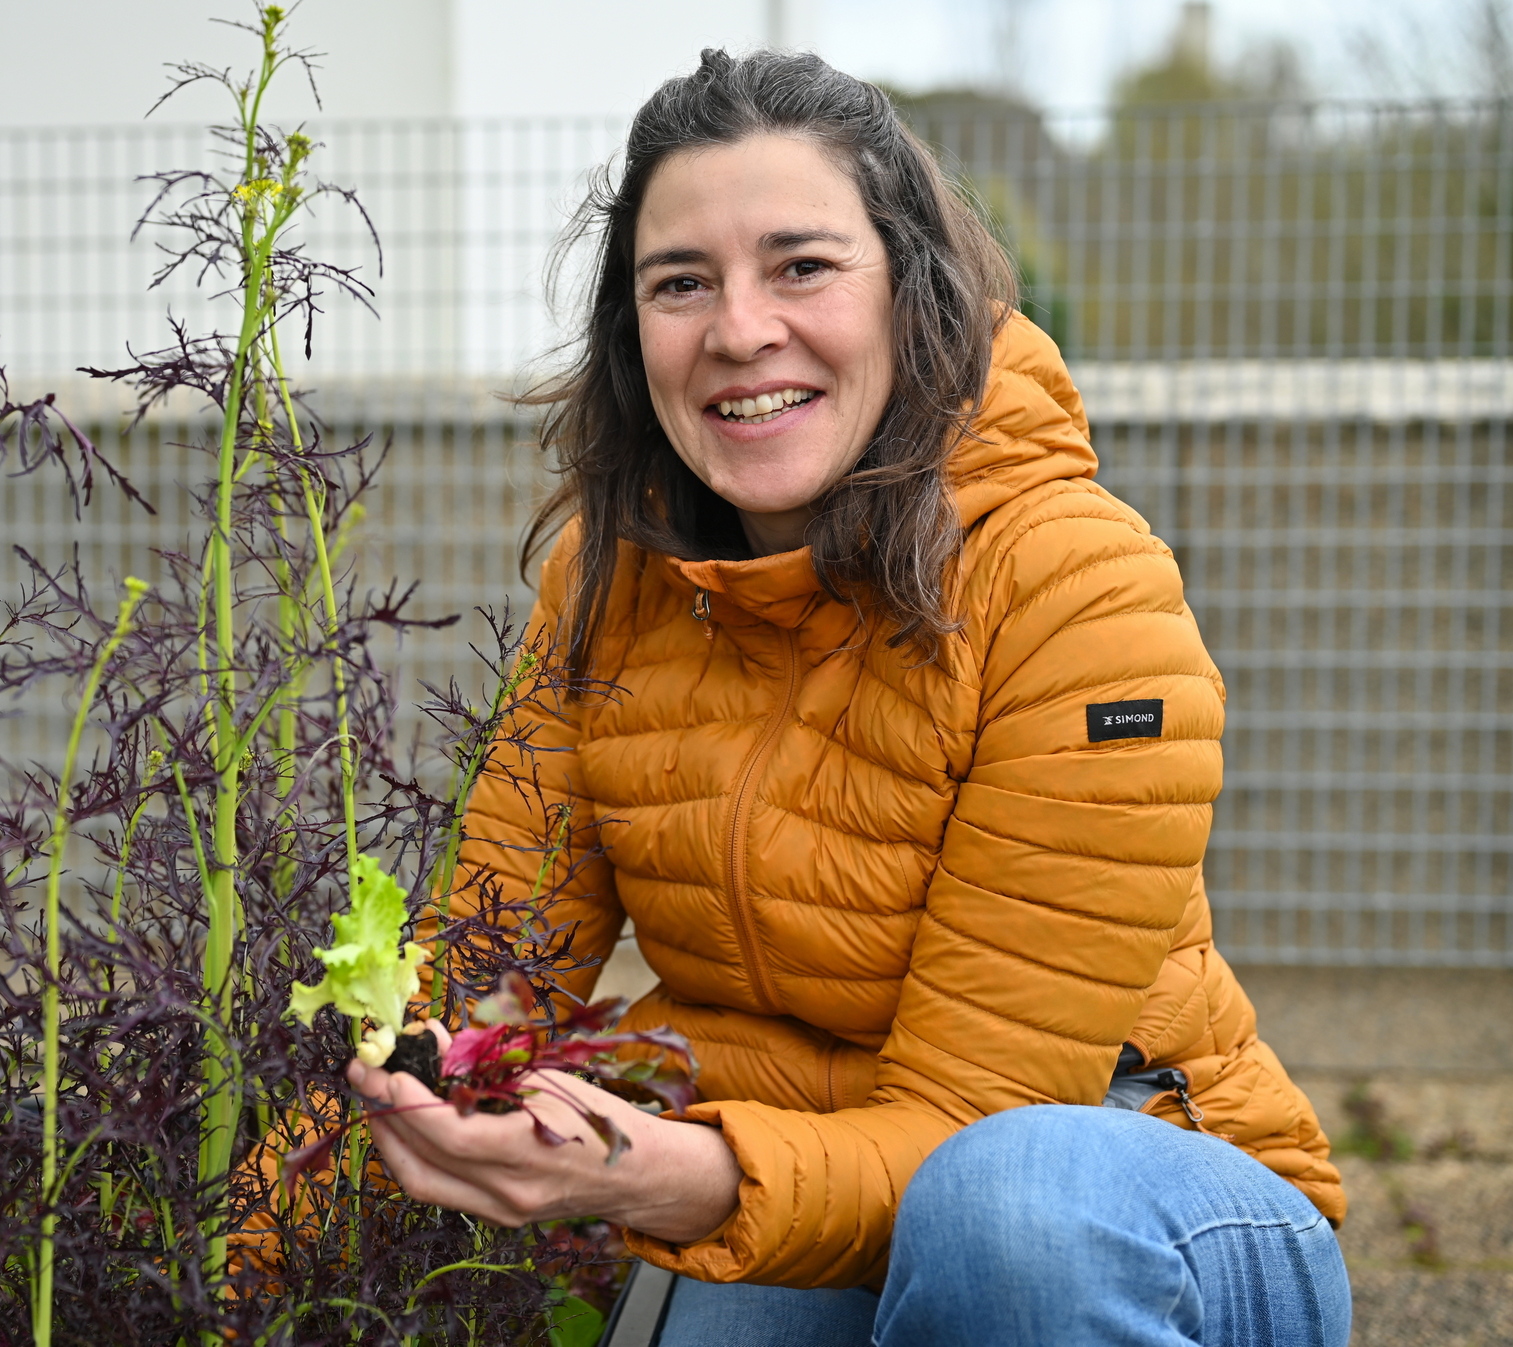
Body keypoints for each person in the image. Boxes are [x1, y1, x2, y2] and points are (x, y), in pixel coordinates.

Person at [347, 48, 1350, 1347]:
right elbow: (488, 979)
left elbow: (979, 1112)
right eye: (679, 283)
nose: (738, 329)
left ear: (910, 293)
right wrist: (254, 1233)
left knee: (1007, 1213)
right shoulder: (602, 586)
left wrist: (680, 1174)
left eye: (801, 265)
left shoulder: (1075, 584)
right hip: (799, 1163)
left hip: (1123, 1176)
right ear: (627, 331)